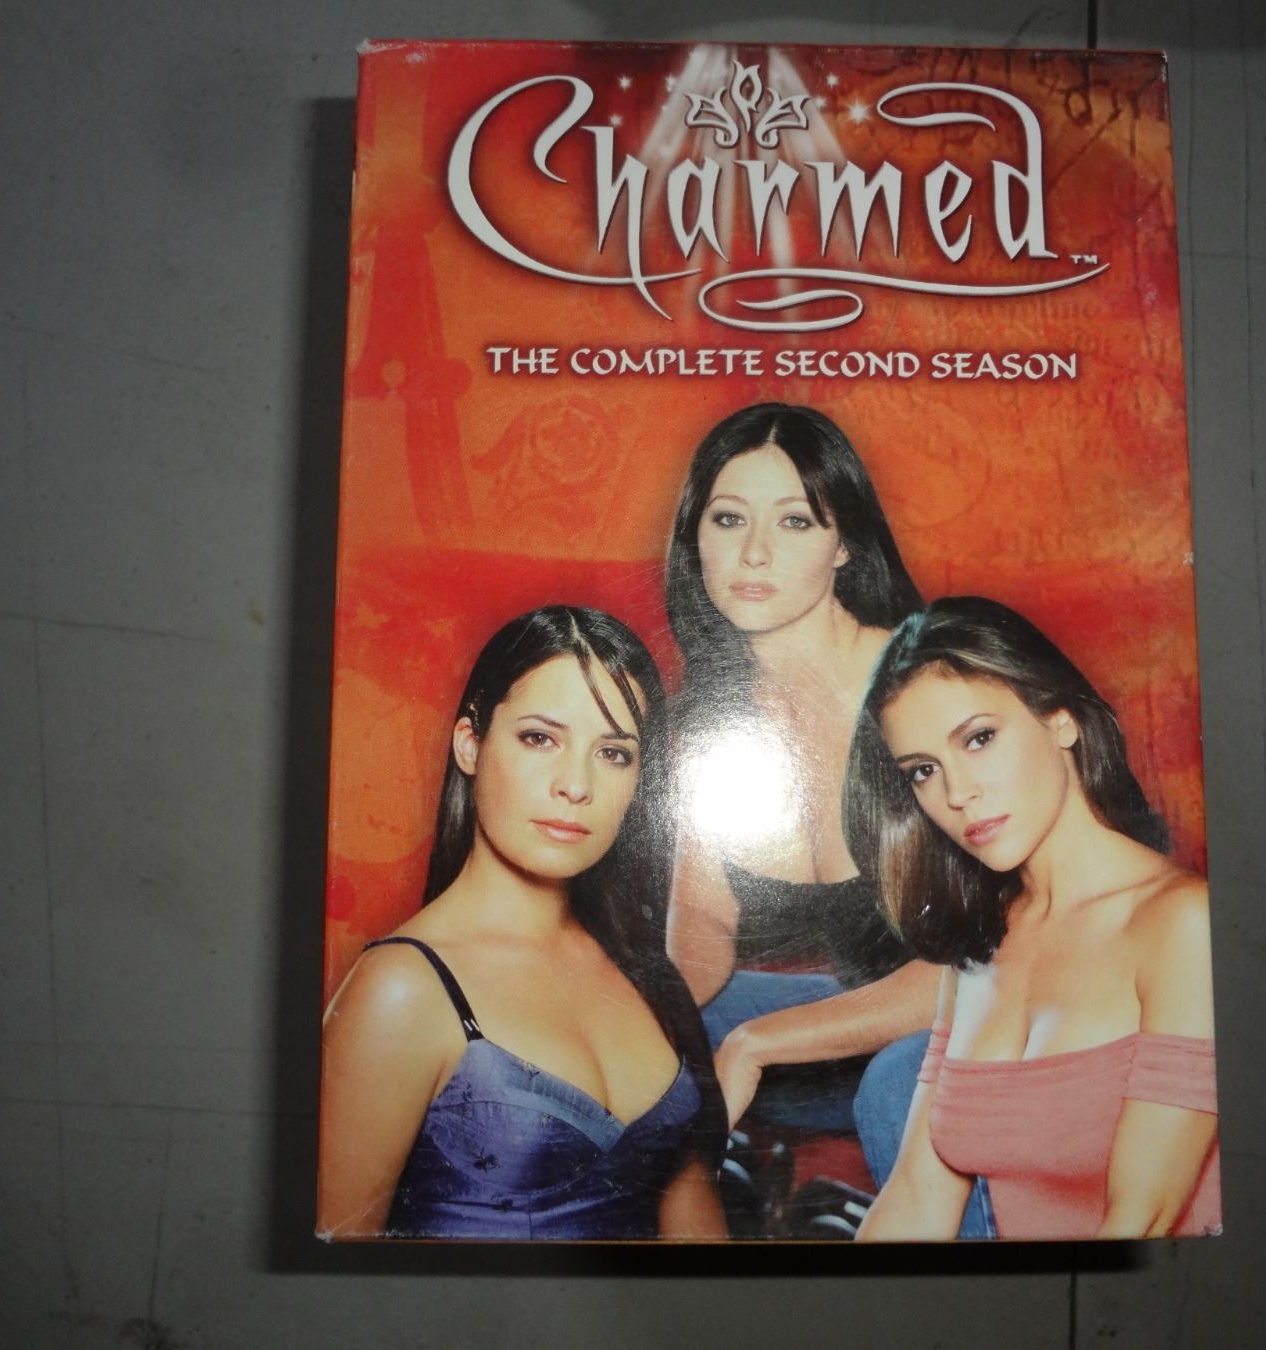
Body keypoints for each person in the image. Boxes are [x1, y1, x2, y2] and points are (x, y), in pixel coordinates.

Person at [662, 402, 993, 1235]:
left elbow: (981, 967)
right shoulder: (711, 718)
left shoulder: (921, 682)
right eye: (728, 519)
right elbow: (703, 921)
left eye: (795, 521)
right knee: (633, 1024)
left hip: (993, 1020)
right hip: (861, 1021)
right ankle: (739, 1197)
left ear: (844, 543)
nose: (754, 553)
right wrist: (631, 1020)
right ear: (694, 536)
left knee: (897, 1080)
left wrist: (757, 1046)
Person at [317, 607, 727, 1240]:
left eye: (613, 753)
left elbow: (706, 1263)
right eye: (540, 738)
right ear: (470, 743)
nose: (575, 786)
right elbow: (329, 1274)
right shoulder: (400, 989)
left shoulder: (643, 974)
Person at [847, 598, 1219, 1240]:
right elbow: (916, 1200)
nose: (957, 793)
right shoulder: (980, 944)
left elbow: (1140, 1222)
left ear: (1061, 720)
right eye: (924, 771)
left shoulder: (1183, 923)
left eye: (979, 739)